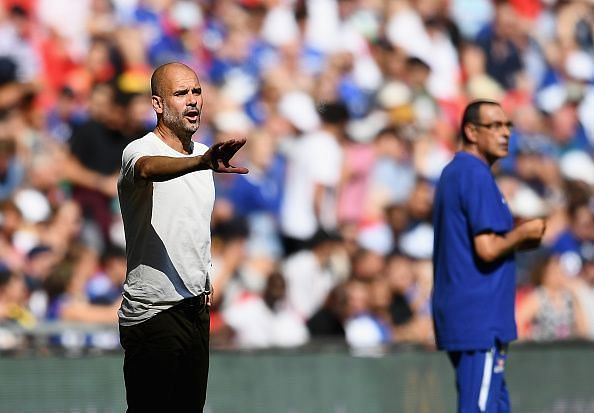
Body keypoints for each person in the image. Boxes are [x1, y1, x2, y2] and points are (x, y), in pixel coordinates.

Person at [117, 62, 248, 413]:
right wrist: (200, 162)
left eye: (196, 91)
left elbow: (191, 231)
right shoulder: (139, 150)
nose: (192, 101)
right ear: (158, 104)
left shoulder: (202, 156)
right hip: (154, 311)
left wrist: (204, 284)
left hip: (194, 309)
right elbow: (148, 169)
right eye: (180, 94)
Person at [432, 100, 546, 413]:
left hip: (470, 311)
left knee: (496, 406)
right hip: (478, 314)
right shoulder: (475, 174)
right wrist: (523, 234)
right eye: (495, 126)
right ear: (471, 131)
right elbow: (486, 248)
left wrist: (518, 240)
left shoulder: (457, 172)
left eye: (508, 126)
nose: (505, 133)